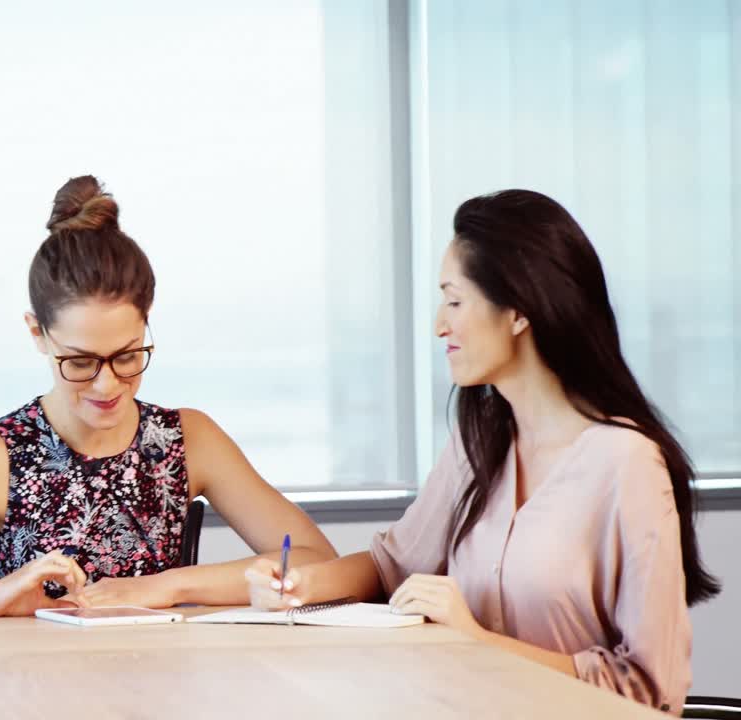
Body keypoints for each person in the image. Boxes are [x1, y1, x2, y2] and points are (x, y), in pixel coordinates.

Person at [245, 189, 719, 714]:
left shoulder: (625, 464)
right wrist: (300, 586)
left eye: (454, 300)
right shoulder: (478, 444)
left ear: (517, 311)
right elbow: (391, 567)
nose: (438, 326)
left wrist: (474, 638)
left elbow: (651, 693)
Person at [0, 175, 336, 617]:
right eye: (80, 362)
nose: (107, 385)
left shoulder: (188, 438)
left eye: (128, 356)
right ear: (37, 334)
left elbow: (315, 559)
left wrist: (166, 586)